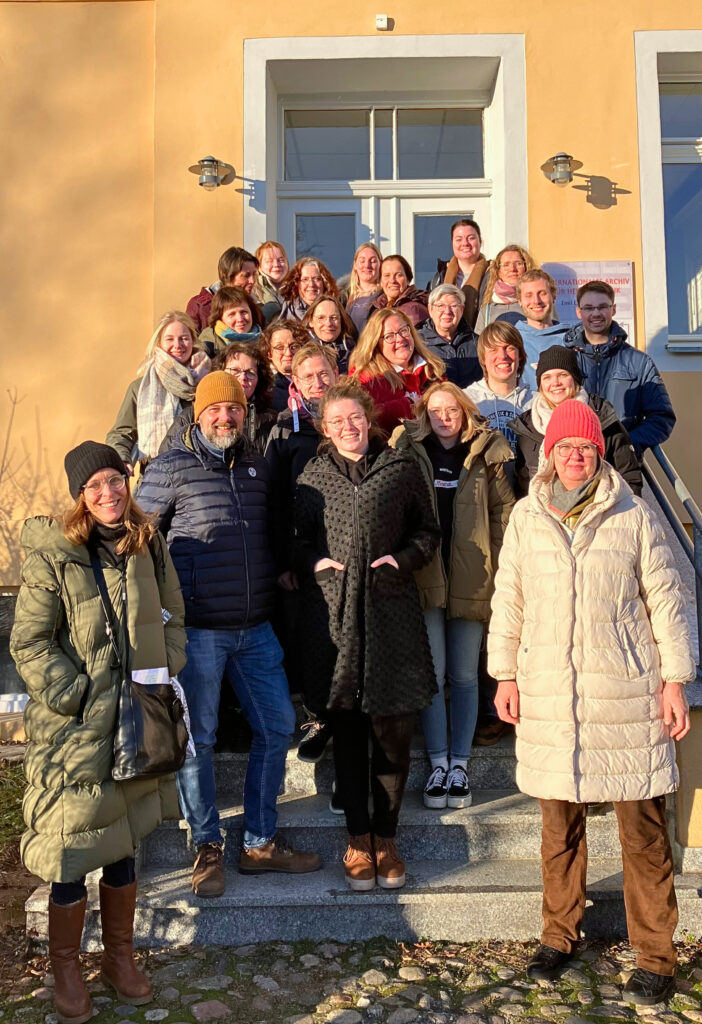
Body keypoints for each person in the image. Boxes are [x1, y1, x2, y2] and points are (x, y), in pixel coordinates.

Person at [488, 399, 694, 1006]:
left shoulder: (634, 514)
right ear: (549, 453)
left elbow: (667, 598)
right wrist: (504, 674)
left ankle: (655, 955)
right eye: (565, 447)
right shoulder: (528, 516)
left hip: (626, 694)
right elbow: (511, 598)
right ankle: (558, 935)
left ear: (599, 454)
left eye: (586, 448)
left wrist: (675, 679)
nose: (575, 456)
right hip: (552, 691)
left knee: (644, 835)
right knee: (559, 830)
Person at [10, 441, 187, 1023]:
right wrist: (77, 694)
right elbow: (30, 642)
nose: (109, 493)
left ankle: (119, 957)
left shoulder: (147, 543)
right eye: (95, 487)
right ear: (80, 498)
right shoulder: (54, 558)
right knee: (71, 852)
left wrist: (170, 665)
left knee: (124, 842)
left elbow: (172, 612)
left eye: (115, 480)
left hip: (137, 721)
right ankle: (66, 966)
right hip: (77, 731)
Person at [138, 373, 322, 897]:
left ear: (245, 415)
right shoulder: (172, 468)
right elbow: (137, 540)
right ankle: (207, 846)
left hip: (256, 626)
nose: (225, 418)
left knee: (277, 725)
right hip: (197, 632)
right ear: (198, 416)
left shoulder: (256, 466)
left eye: (234, 410)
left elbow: (268, 530)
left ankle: (260, 841)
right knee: (200, 739)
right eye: (215, 410)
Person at [293, 379, 440, 891]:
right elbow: (297, 542)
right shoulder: (312, 477)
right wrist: (317, 565)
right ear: (325, 429)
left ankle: (387, 836)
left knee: (393, 734)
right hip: (336, 620)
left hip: (390, 613)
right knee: (350, 732)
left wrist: (401, 561)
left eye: (354, 418)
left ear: (369, 418)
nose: (348, 428)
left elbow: (428, 533)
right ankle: (358, 839)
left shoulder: (399, 470)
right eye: (336, 422)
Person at [389, 383, 514, 810]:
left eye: (452, 410)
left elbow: (504, 514)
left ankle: (460, 764)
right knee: (434, 675)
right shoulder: (408, 449)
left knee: (464, 676)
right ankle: (437, 763)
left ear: (464, 412)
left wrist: (499, 566)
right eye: (436, 410)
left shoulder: (486, 452)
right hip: (423, 575)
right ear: (425, 413)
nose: (444, 417)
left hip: (472, 576)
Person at [265, 342, 340, 765]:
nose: (317, 381)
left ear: (335, 372)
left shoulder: (350, 419)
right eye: (308, 376)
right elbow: (273, 500)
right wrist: (282, 562)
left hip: (346, 552)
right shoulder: (283, 430)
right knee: (310, 641)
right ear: (294, 382)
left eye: (323, 373)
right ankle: (316, 718)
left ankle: (346, 718)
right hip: (301, 557)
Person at [512, 345, 642, 497]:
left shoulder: (603, 418)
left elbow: (628, 475)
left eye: (563, 375)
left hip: (601, 512)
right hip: (544, 516)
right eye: (547, 377)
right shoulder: (529, 426)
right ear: (540, 384)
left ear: (575, 379)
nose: (555, 383)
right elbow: (523, 486)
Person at [564, 280, 676, 454]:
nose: (596, 313)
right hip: (574, 461)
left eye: (602, 307)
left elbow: (662, 418)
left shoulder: (639, 362)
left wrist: (626, 444)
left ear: (613, 310)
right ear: (579, 312)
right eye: (588, 308)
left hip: (622, 465)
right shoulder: (565, 360)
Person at [107, 311, 210, 471]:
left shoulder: (209, 383)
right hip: (156, 473)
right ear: (159, 344)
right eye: (170, 339)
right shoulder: (140, 388)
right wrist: (122, 459)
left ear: (192, 341)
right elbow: (121, 433)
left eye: (184, 338)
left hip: (201, 473)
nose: (178, 345)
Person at [160, 342, 277, 455]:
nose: (243, 377)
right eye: (235, 370)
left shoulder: (271, 420)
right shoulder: (194, 414)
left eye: (250, 372)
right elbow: (167, 458)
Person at [350, 308, 445, 433]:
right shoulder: (367, 379)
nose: (400, 339)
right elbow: (366, 418)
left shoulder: (432, 368)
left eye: (403, 331)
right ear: (376, 343)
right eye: (389, 336)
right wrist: (409, 405)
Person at [464, 321, 532, 455]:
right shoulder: (466, 401)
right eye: (493, 349)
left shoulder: (537, 402)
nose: (502, 356)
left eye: (509, 348)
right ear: (483, 358)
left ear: (520, 355)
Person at [497, 270, 570, 391]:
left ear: (554, 296)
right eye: (528, 295)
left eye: (542, 293)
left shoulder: (572, 339)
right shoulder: (510, 340)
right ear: (519, 300)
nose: (536, 301)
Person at [428, 218, 490, 330]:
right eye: (458, 239)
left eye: (471, 238)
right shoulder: (439, 278)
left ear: (480, 241)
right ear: (452, 243)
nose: (465, 243)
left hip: (481, 340)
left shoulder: (492, 275)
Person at [418, 284, 481, 388]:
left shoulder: (477, 343)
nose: (447, 312)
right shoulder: (418, 344)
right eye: (440, 306)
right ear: (430, 309)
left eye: (453, 306)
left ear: (462, 309)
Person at [186, 246, 259, 333]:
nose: (252, 281)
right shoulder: (200, 307)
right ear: (228, 276)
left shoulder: (256, 304)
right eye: (246, 276)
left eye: (254, 274)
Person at [474, 244, 536, 333]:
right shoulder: (487, 311)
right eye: (506, 265)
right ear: (498, 271)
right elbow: (479, 344)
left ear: (526, 268)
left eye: (518, 264)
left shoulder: (538, 303)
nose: (512, 269)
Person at [198, 285, 264, 355]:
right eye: (232, 314)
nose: (240, 319)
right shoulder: (209, 341)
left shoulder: (265, 339)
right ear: (220, 318)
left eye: (243, 312)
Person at [260, 319, 310, 412]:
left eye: (294, 346)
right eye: (280, 347)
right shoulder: (266, 390)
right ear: (269, 353)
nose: (288, 353)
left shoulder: (315, 381)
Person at [302, 294, 357, 373]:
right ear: (311, 321)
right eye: (321, 318)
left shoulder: (353, 347)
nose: (328, 323)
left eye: (334, 318)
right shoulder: (302, 351)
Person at [372, 254, 429, 326]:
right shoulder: (377, 307)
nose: (392, 280)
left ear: (408, 279)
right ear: (380, 281)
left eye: (398, 275)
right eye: (387, 275)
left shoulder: (413, 310)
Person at [340, 243, 383, 335]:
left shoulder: (384, 297)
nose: (367, 265)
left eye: (372, 261)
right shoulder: (343, 297)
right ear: (355, 265)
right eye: (362, 261)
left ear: (380, 264)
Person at [254, 240, 290, 323]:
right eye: (269, 261)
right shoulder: (253, 289)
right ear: (259, 266)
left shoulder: (297, 288)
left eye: (281, 260)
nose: (276, 265)